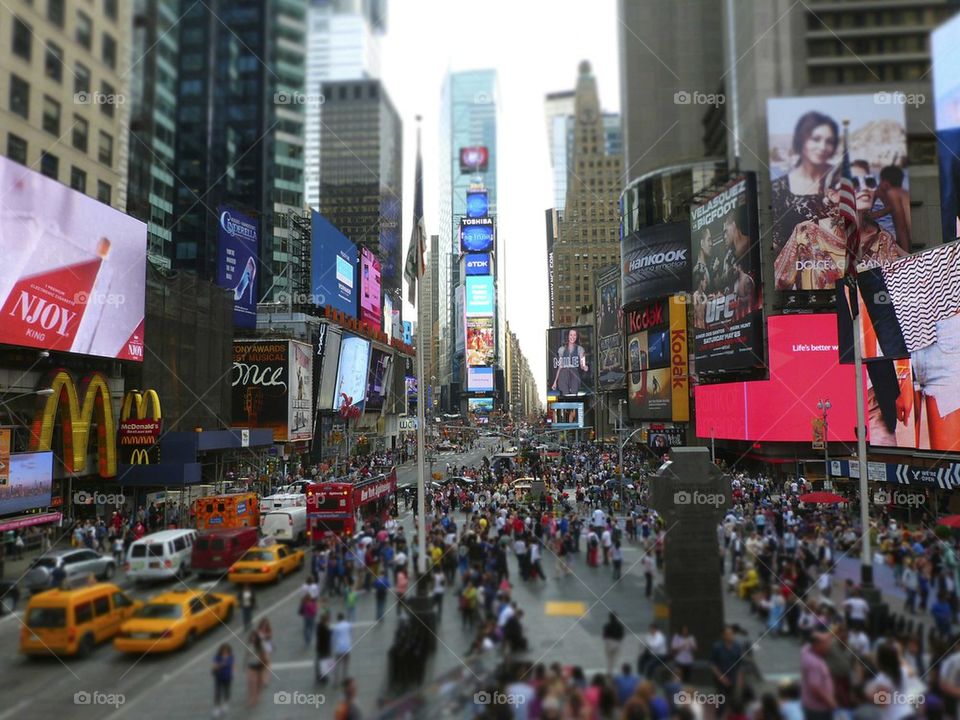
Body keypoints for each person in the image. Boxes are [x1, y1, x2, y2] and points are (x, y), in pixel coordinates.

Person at [770, 111, 838, 258]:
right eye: (816, 139)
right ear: (801, 140)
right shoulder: (778, 188)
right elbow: (776, 244)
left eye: (829, 141)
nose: (823, 147)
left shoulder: (840, 181)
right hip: (799, 270)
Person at [800, 631, 836, 720]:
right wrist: (831, 702)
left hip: (810, 705)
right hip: (819, 710)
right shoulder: (814, 663)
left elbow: (815, 638)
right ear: (817, 645)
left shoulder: (806, 650)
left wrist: (833, 631)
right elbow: (815, 688)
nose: (828, 647)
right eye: (826, 644)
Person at [711, 625, 745, 716]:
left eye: (732, 634)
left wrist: (739, 679)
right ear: (723, 635)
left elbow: (739, 664)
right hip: (720, 680)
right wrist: (721, 677)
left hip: (733, 678)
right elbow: (712, 664)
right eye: (728, 634)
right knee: (721, 701)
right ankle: (719, 716)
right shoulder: (717, 647)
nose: (731, 636)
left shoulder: (737, 646)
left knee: (733, 702)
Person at [551, 328, 589, 396]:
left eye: (574, 335)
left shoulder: (580, 349)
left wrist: (584, 367)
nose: (572, 337)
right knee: (565, 393)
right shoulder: (561, 349)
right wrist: (555, 382)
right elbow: (560, 366)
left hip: (574, 372)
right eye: (571, 335)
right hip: (563, 373)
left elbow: (582, 364)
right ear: (568, 336)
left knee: (574, 394)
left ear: (577, 337)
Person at [244, 631, 268, 708]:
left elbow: (264, 656)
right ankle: (252, 698)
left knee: (259, 682)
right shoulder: (250, 645)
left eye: (254, 637)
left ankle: (257, 696)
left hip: (259, 665)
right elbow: (247, 656)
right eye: (252, 637)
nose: (253, 639)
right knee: (251, 683)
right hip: (251, 666)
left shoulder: (261, 646)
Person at [211, 643, 233, 718]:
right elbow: (214, 667)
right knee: (218, 692)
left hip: (227, 676)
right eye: (223, 650)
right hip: (219, 677)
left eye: (226, 650)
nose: (225, 652)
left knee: (227, 690)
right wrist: (221, 664)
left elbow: (231, 665)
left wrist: (220, 665)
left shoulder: (231, 656)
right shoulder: (217, 657)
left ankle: (225, 704)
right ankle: (216, 708)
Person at [332, 612, 353, 686]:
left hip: (339, 648)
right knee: (345, 665)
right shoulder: (348, 625)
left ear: (338, 618)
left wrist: (332, 646)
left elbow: (334, 638)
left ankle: (336, 681)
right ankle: (344, 680)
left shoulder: (336, 627)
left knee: (337, 665)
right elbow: (350, 634)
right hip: (347, 647)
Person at [315, 612, 333, 685]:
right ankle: (323, 677)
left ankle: (319, 676)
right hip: (325, 649)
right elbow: (328, 637)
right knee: (324, 663)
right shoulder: (325, 629)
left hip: (320, 648)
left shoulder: (319, 626)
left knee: (320, 662)